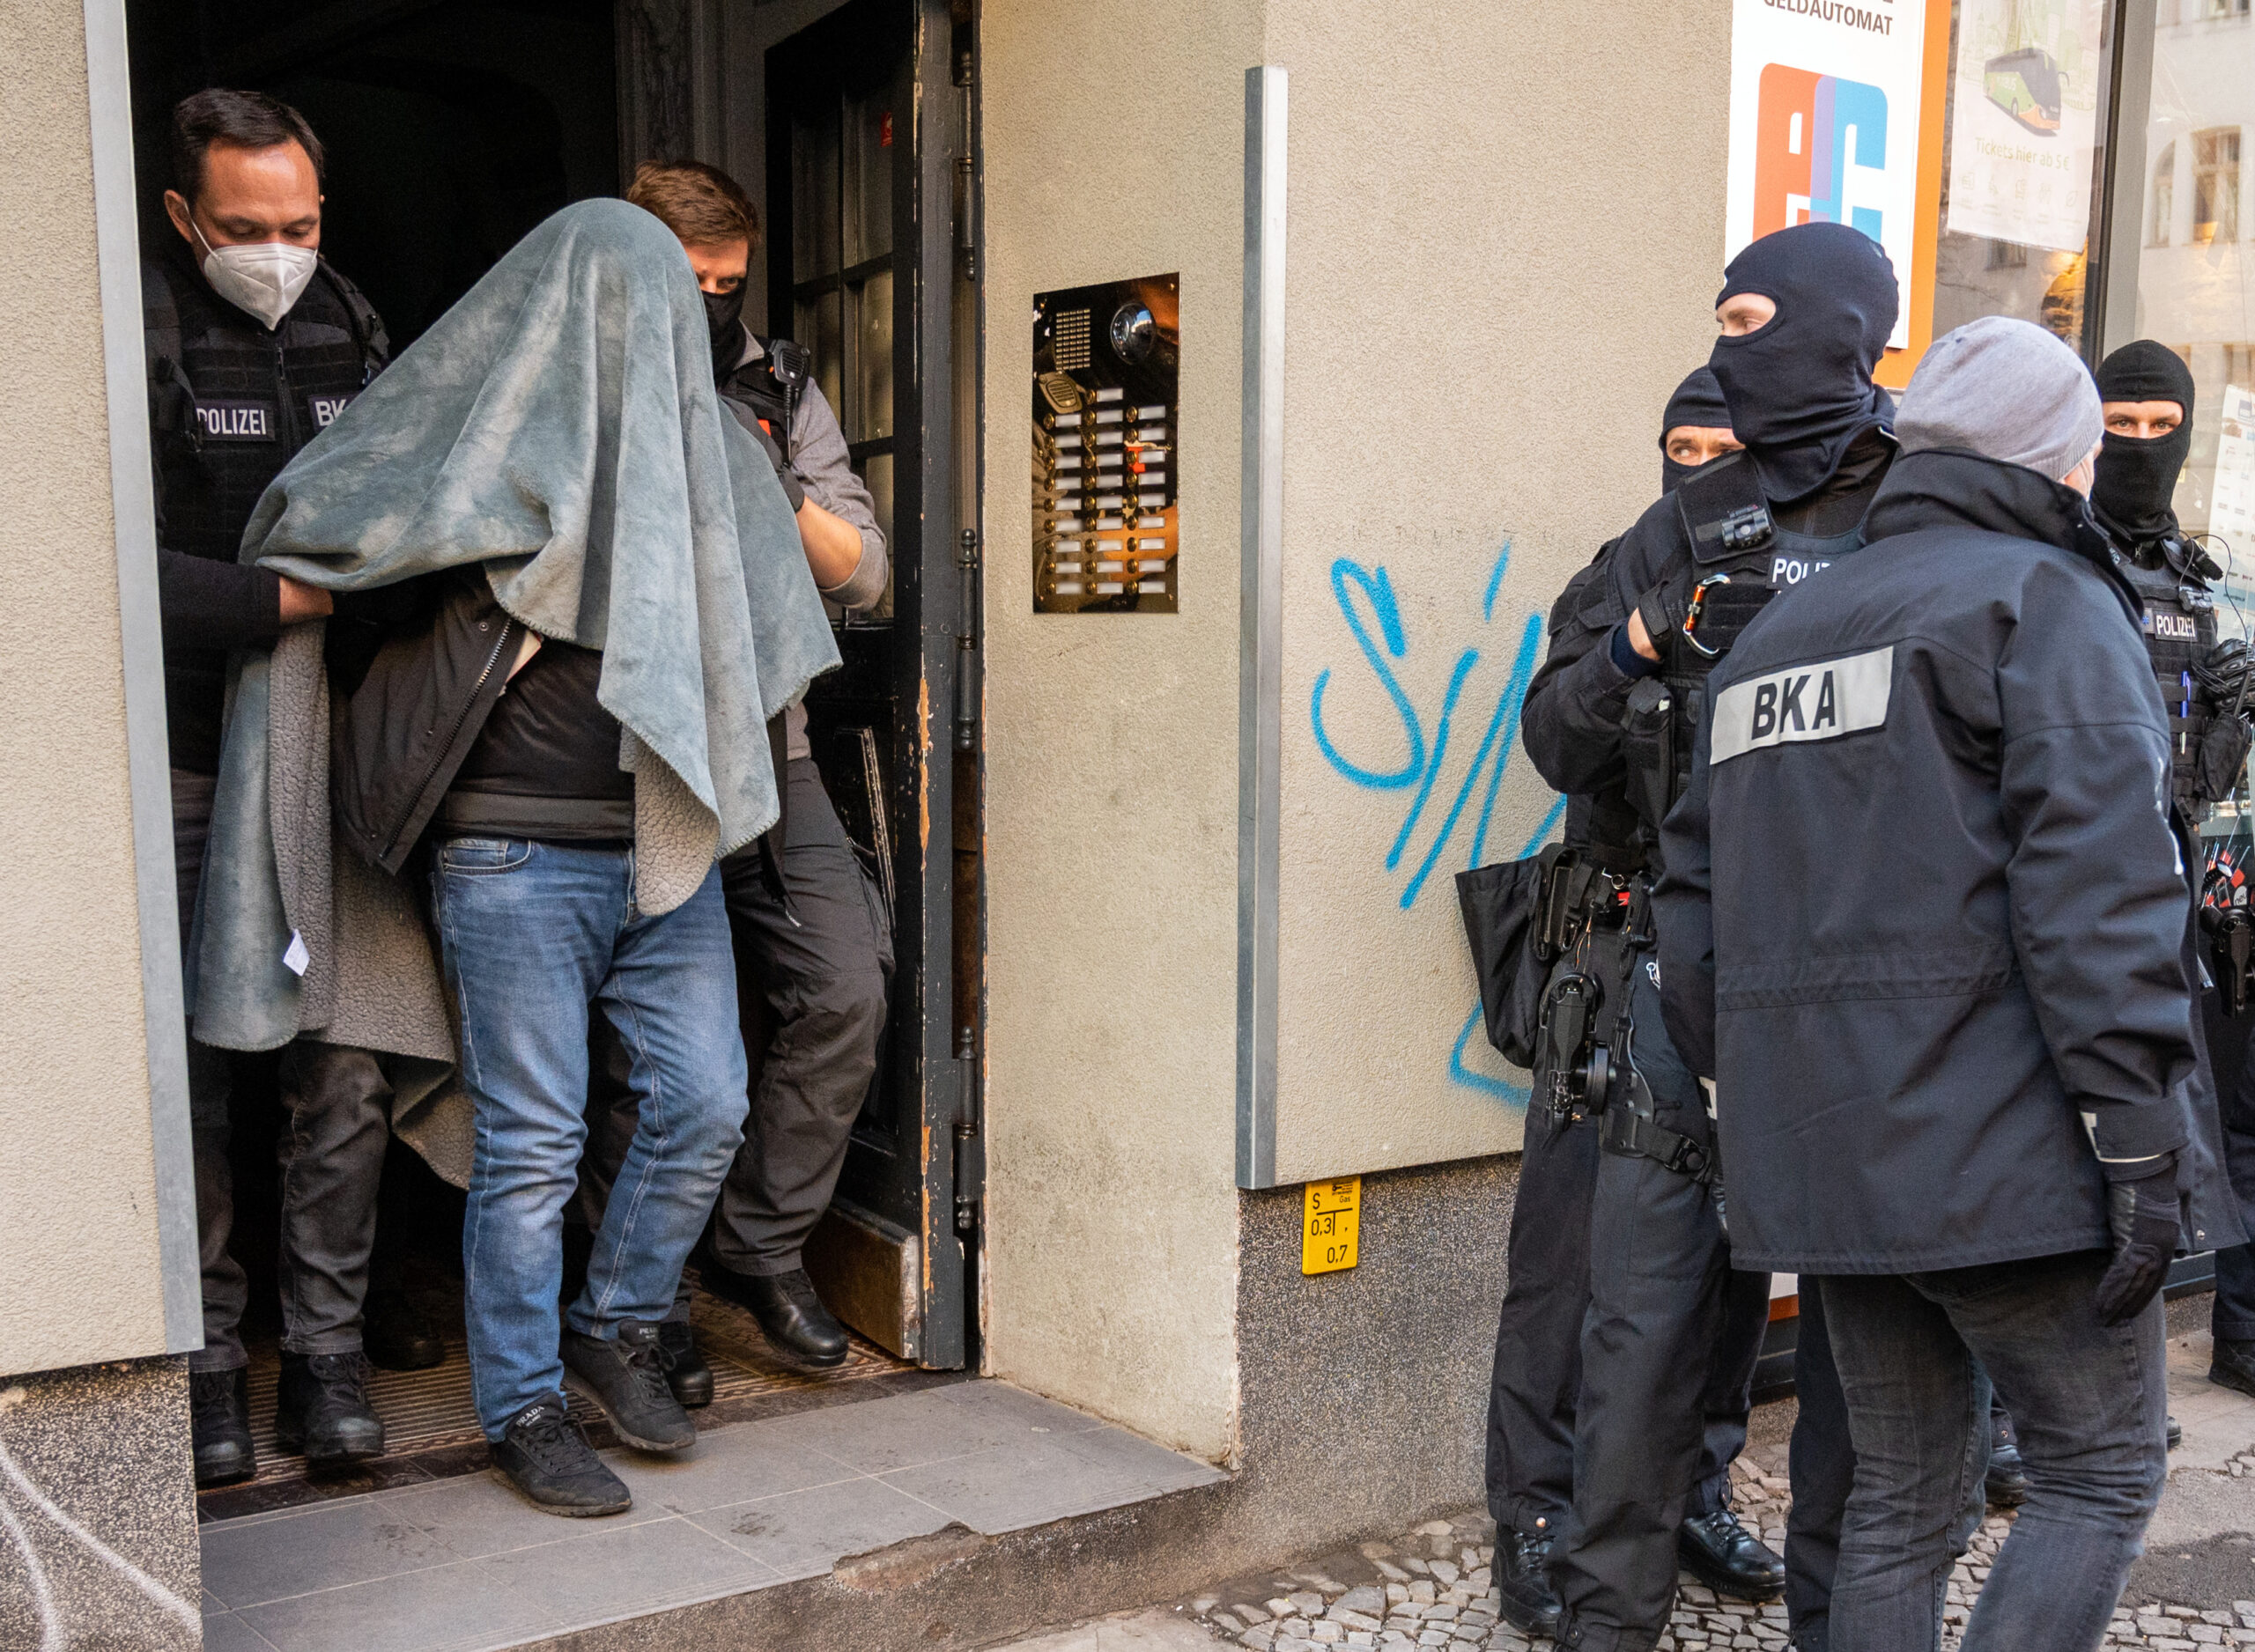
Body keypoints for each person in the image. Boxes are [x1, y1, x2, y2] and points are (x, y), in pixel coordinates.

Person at [236, 198, 839, 1516]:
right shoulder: (474, 422)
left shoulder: (706, 450)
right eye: (641, 299)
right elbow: (327, 522)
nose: (668, 326)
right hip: (507, 850)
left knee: (705, 1102)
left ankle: (615, 1318)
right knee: (535, 1140)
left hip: (658, 843)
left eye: (681, 305)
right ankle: (519, 1404)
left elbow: (790, 609)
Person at [1657, 315, 2244, 1651]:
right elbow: (2102, 904)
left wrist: (1768, 1097)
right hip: (2013, 1168)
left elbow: (1695, 926)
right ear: (2054, 457)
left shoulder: (1776, 637)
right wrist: (2141, 1135)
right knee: (2101, 1471)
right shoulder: (2042, 602)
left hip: (1828, 1159)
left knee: (1900, 1506)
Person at [1511, 221, 1900, 1651]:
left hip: (1852, 1023)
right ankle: (1585, 1581)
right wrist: (1647, 645)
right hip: (1661, 987)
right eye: (1720, 327)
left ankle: (1761, 1552)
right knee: (1623, 1317)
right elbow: (1554, 734)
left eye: (1759, 322)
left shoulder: (1914, 519)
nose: (1734, 356)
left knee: (1812, 1345)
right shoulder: (1665, 540)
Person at [573, 160, 891, 1395]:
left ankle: (758, 1247)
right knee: (642, 1052)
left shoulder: (777, 385)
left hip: (774, 749)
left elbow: (861, 569)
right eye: (690, 284)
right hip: (634, 763)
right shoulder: (583, 372)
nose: (712, 306)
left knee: (846, 990)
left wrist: (753, 469)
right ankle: (623, 1297)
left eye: (728, 286)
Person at [1485, 365, 1778, 1636]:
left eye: (1723, 445)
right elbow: (1552, 739)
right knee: (1564, 1262)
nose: (1699, 464)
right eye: (1681, 443)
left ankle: (1696, 1484)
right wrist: (1638, 644)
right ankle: (1537, 1521)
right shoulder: (1620, 571)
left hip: (1746, 961)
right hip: (1609, 961)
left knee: (1733, 1263)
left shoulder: (1797, 570)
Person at [150, 88, 415, 1486]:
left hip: (339, 757)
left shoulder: (355, 324)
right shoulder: (135, 329)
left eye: (299, 224)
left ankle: (326, 1355)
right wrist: (291, 600)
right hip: (188, 766)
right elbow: (100, 561)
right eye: (245, 228)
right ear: (185, 216)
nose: (276, 249)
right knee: (191, 1076)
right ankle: (201, 1361)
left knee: (348, 1065)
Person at [2089, 340, 2255, 1405]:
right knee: (2092, 1145)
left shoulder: (2208, 583)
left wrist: (2235, 716)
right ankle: (2054, 1398)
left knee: (2219, 1135)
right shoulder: (2056, 560)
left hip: (2198, 899)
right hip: (2092, 902)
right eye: (2121, 423)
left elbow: (2213, 775)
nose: (2141, 447)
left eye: (2162, 427)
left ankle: (2228, 1341)